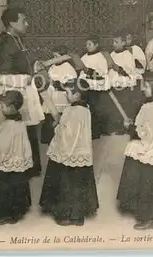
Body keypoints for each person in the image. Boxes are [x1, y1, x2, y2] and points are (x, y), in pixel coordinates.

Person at [0, 7, 44, 177]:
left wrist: (33, 67)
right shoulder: (6, 42)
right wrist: (25, 79)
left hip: (20, 89)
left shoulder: (15, 39)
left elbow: (21, 63)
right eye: (24, 20)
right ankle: (17, 167)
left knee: (25, 129)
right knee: (14, 129)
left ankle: (27, 166)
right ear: (12, 23)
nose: (27, 24)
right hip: (11, 91)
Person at [117, 72, 153, 230]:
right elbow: (150, 128)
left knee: (145, 184)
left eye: (147, 86)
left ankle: (147, 217)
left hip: (149, 149)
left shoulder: (150, 107)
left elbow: (145, 133)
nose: (143, 89)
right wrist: (136, 125)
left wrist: (130, 127)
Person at [39, 78, 99, 226]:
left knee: (66, 185)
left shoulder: (72, 111)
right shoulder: (85, 109)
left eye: (68, 92)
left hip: (69, 153)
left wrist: (57, 127)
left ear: (77, 95)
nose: (66, 95)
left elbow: (68, 135)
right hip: (81, 153)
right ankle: (78, 216)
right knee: (78, 185)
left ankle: (64, 214)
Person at [0, 90, 33, 225]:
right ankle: (14, 214)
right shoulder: (20, 123)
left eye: (2, 106)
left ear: (11, 108)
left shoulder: (7, 125)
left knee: (2, 187)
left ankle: (1, 214)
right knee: (15, 187)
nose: (0, 108)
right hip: (17, 161)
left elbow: (2, 147)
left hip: (4, 164)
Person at [40, 45, 78, 144]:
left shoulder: (68, 68)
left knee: (61, 119)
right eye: (53, 57)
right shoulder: (52, 67)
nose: (54, 59)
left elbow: (71, 84)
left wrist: (59, 84)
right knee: (50, 117)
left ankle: (61, 140)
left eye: (57, 57)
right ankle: (50, 139)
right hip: (51, 95)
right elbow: (48, 78)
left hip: (62, 96)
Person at [108, 34, 143, 134]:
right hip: (113, 83)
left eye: (116, 42)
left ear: (123, 43)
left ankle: (125, 127)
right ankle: (116, 125)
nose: (113, 44)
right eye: (113, 42)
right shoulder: (111, 54)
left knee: (124, 105)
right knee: (115, 106)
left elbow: (130, 71)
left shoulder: (127, 55)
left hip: (124, 84)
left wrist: (119, 69)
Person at [79, 35, 111, 139]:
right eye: (86, 44)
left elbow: (102, 73)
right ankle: (86, 130)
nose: (87, 46)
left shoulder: (100, 57)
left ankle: (96, 132)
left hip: (96, 87)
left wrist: (89, 72)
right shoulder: (83, 57)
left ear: (96, 45)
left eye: (90, 44)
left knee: (95, 110)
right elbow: (81, 72)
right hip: (85, 88)